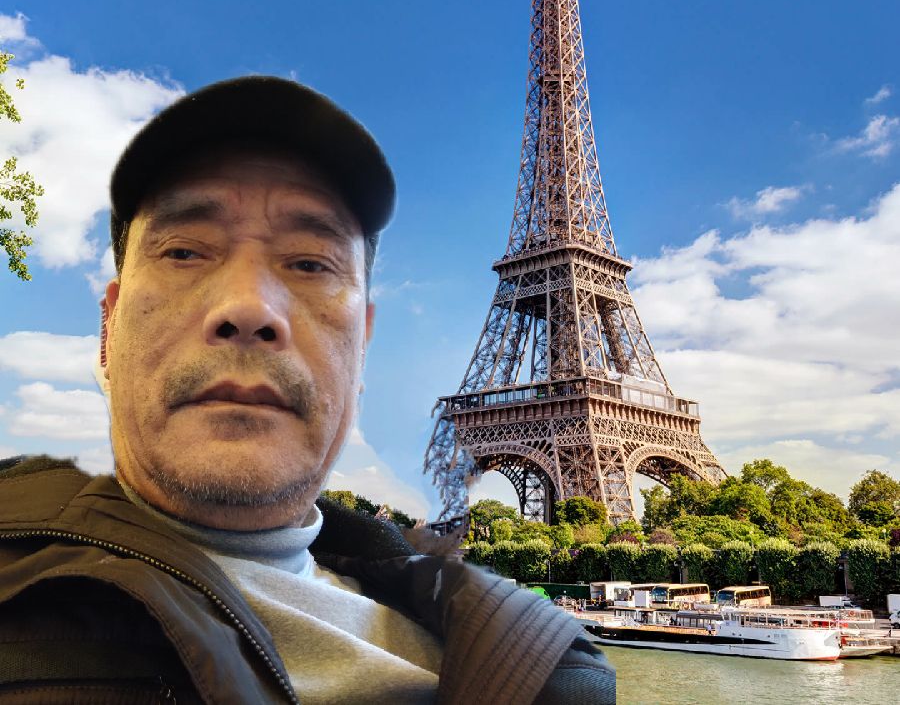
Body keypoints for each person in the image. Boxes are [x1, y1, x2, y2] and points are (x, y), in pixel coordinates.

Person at [0, 76, 616, 704]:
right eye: (183, 252)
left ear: (362, 348)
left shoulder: (538, 661)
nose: (249, 307)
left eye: (310, 263)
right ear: (108, 332)